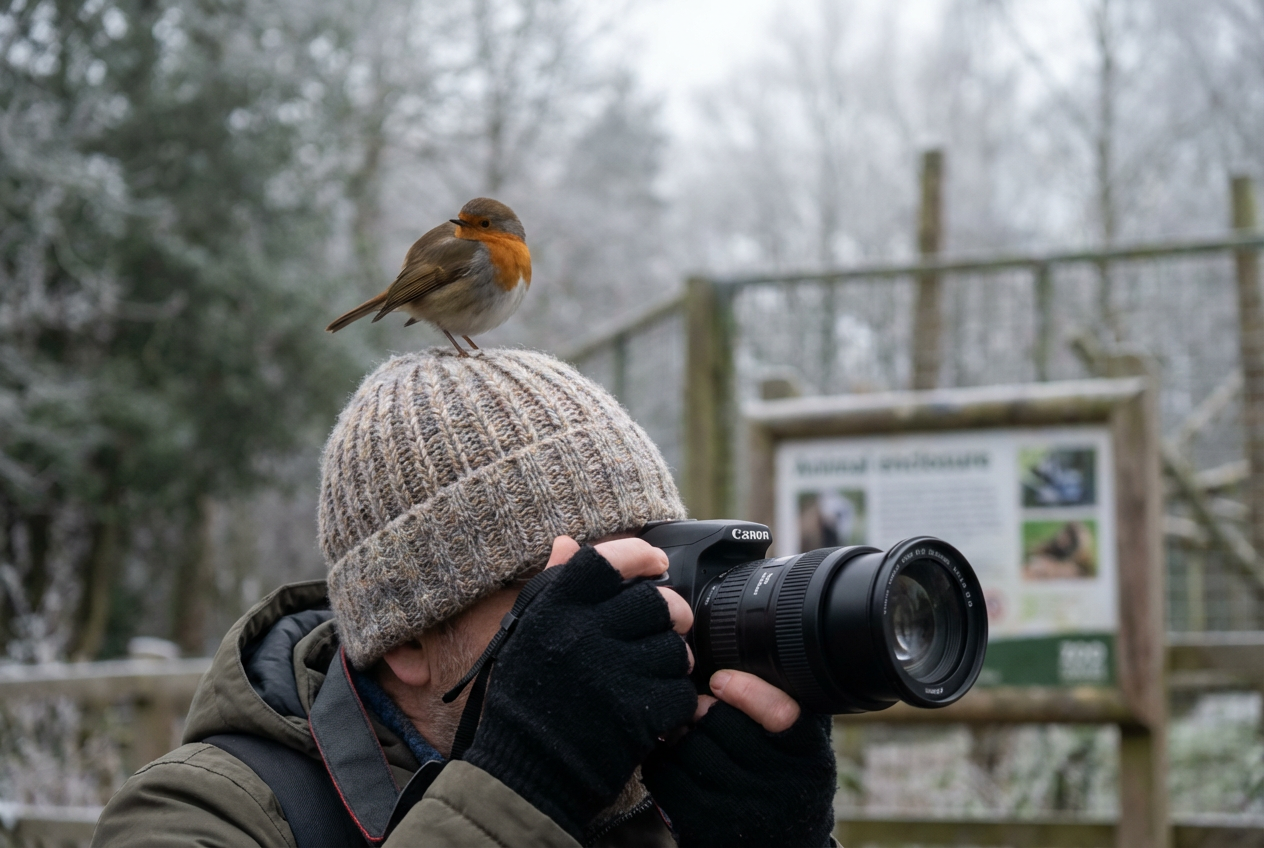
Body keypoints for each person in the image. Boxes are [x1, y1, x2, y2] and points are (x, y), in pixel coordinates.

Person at [91, 349, 838, 847]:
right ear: (409, 640)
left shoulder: (649, 808)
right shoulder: (201, 815)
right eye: (574, 588)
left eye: (653, 562)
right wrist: (524, 780)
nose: (648, 614)